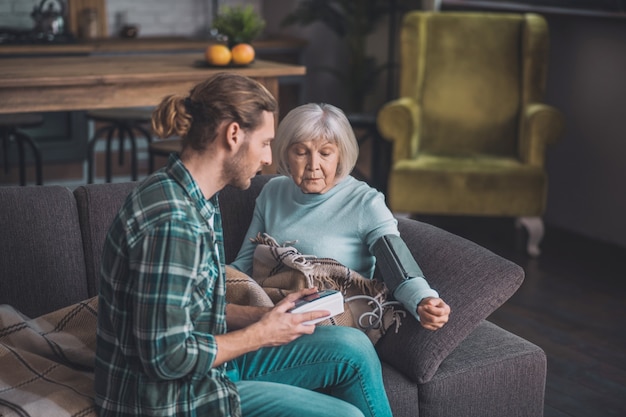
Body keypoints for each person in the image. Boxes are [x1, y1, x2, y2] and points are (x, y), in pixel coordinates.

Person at [94, 74, 393, 417]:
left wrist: (266, 316)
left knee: (351, 347)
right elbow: (166, 358)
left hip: (201, 370)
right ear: (233, 135)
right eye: (266, 142)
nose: (268, 159)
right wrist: (262, 334)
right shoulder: (173, 224)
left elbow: (191, 311)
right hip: (168, 398)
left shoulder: (194, 197)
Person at [231, 103, 451, 330]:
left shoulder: (366, 202)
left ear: (340, 155)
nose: (313, 165)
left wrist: (424, 300)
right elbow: (245, 264)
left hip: (335, 324)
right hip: (273, 313)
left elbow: (398, 266)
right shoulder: (272, 192)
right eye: (301, 152)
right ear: (286, 153)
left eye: (325, 153)